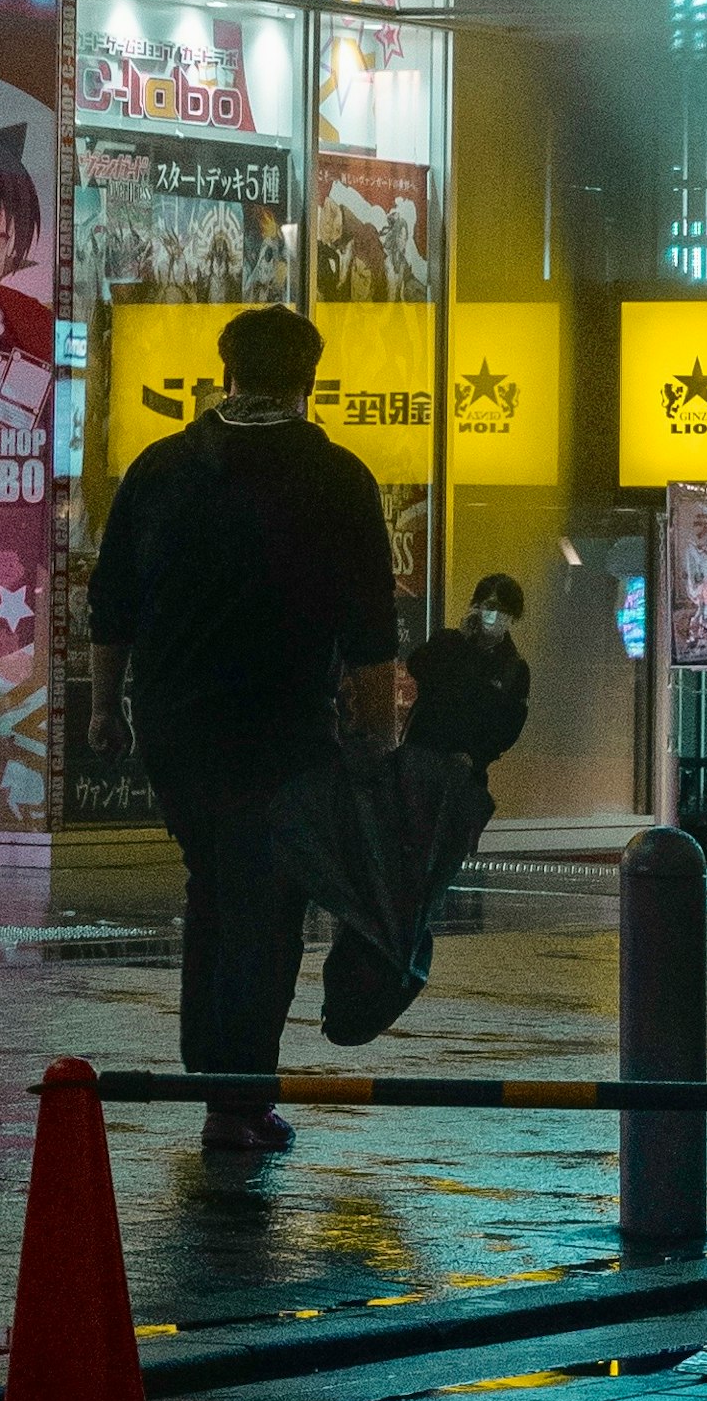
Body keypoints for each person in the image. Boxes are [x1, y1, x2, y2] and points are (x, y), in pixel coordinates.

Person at [85, 305, 399, 1163]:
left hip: (175, 725)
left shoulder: (161, 467)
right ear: (310, 379)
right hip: (281, 726)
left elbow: (111, 602)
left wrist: (104, 708)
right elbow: (372, 632)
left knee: (215, 887)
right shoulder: (336, 477)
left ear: (224, 373)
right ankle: (236, 1099)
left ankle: (215, 1080)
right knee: (265, 902)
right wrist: (377, 741)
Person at [406, 571, 532, 779]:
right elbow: (418, 666)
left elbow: (509, 726)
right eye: (490, 606)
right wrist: (461, 639)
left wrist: (475, 756)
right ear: (477, 607)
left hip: (465, 773)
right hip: (419, 759)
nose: (495, 615)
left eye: (503, 609)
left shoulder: (514, 669)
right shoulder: (449, 641)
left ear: (513, 615)